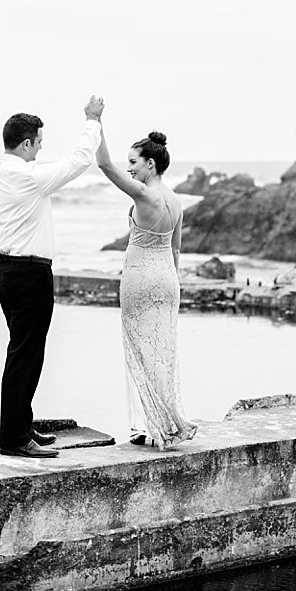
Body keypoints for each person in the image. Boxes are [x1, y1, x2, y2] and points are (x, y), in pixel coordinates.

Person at [0, 96, 104, 458]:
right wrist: (91, 121)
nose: (39, 151)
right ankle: (15, 439)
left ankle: (22, 426)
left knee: (22, 350)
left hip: (6, 271)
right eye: (38, 144)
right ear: (27, 143)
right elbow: (78, 161)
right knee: (26, 355)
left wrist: (0, 266)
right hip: (29, 273)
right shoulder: (29, 177)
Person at [95, 122, 197, 449]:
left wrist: (95, 122)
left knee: (137, 350)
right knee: (161, 352)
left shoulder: (144, 193)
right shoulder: (177, 201)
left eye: (134, 162)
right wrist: (174, 283)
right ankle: (162, 422)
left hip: (140, 277)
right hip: (167, 278)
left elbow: (104, 165)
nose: (129, 168)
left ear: (150, 164)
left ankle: (145, 427)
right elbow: (177, 248)